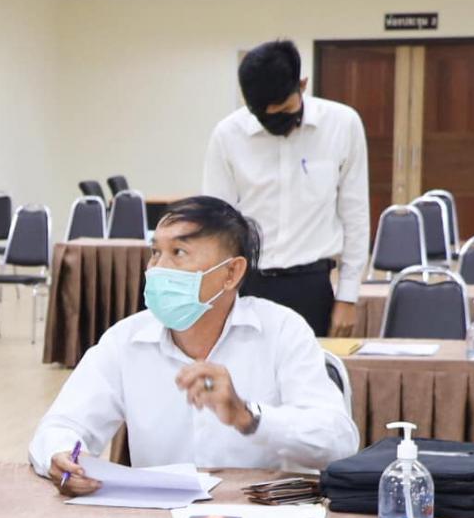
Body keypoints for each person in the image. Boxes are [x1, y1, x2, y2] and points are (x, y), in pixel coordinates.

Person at [28, 196, 359, 493]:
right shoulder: (125, 340)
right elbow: (62, 425)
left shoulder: (282, 331)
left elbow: (339, 442)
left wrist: (249, 417)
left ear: (231, 273)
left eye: (179, 253)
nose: (157, 269)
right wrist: (61, 455)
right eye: (155, 252)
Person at [203, 39, 369, 338]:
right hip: (247, 285)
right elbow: (216, 224)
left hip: (311, 285)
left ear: (302, 85)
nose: (275, 123)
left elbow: (355, 216)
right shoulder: (228, 135)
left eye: (283, 111)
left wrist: (348, 296)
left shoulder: (342, 125)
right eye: (264, 117)